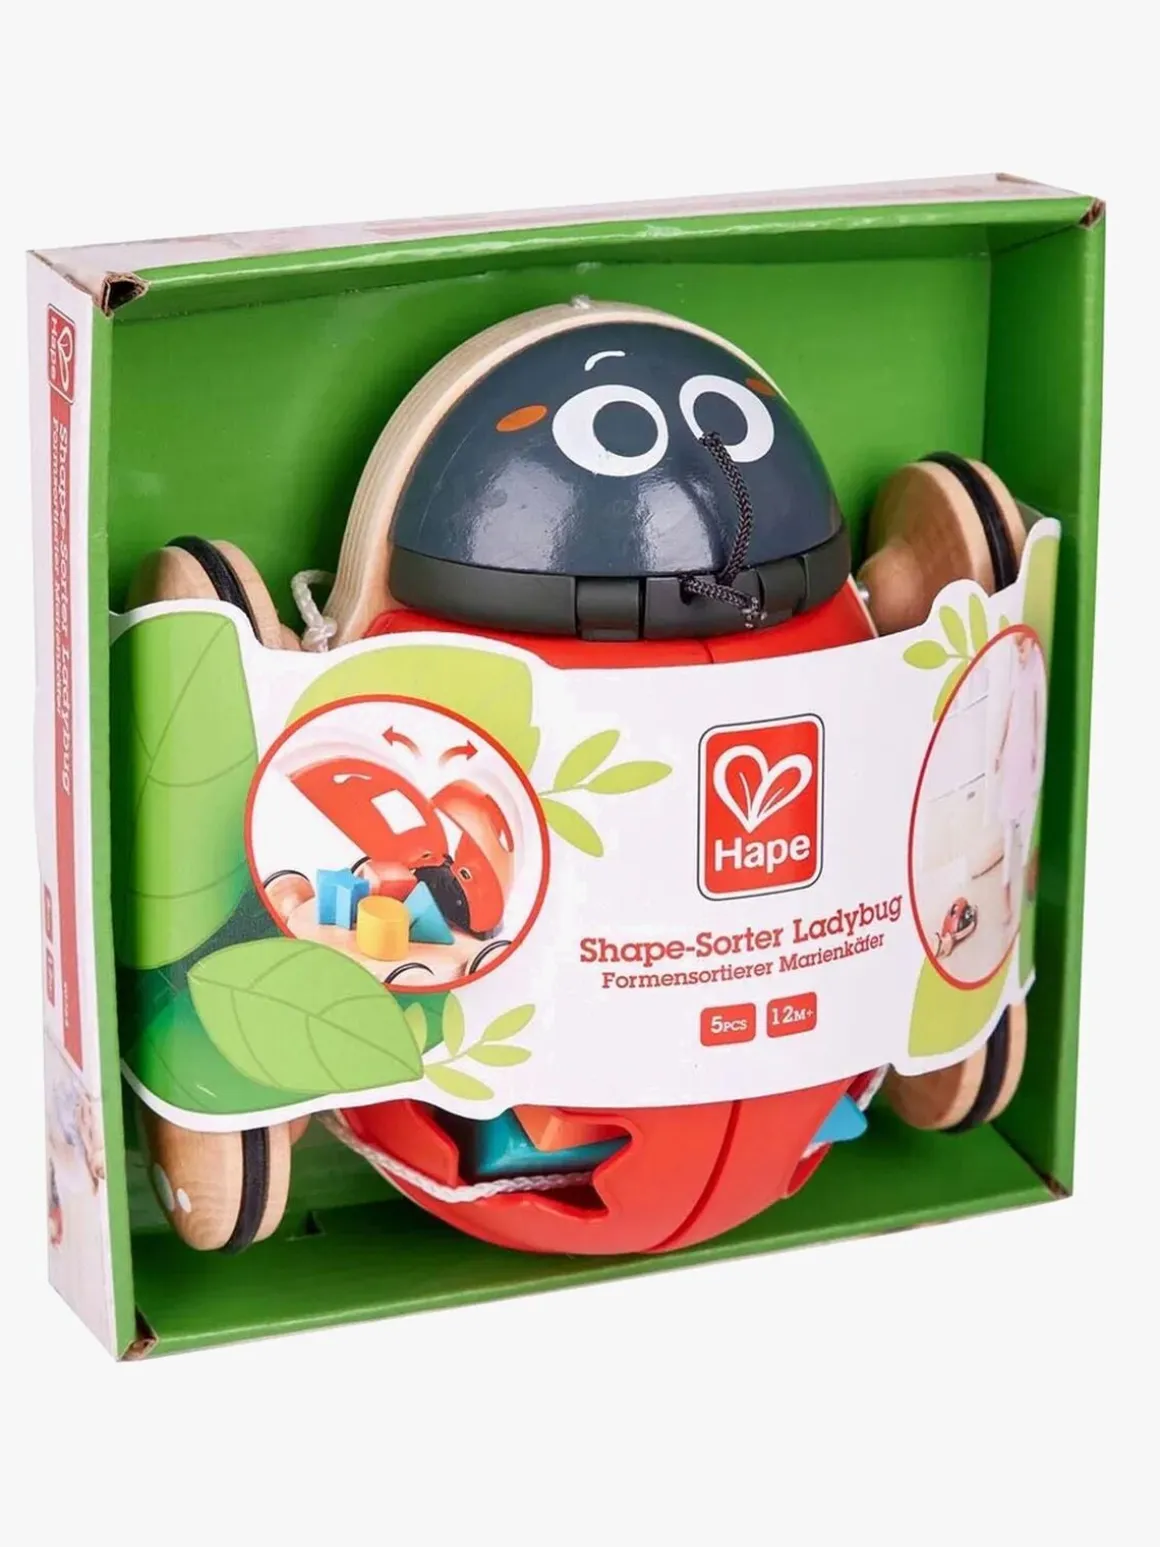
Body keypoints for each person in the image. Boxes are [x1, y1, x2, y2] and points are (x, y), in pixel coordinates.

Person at [995, 633, 1047, 926]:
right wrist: (998, 750)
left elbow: (1039, 718)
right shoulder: (1015, 680)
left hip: (1026, 757)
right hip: (1012, 757)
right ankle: (1004, 903)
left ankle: (1025, 891)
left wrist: (1037, 754)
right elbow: (1006, 716)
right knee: (1007, 831)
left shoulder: (1035, 681)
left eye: (1023, 648)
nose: (1020, 655)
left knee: (1025, 830)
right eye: (1017, 650)